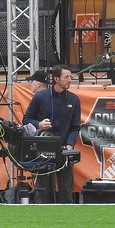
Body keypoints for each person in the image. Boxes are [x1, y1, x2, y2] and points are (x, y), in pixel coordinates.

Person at [22, 65, 82, 203]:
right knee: (43, 190)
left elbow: (75, 126)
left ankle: (66, 218)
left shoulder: (74, 99)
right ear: (56, 79)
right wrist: (39, 124)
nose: (69, 80)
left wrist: (70, 145)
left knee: (66, 189)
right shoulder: (40, 97)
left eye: (70, 77)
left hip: (64, 149)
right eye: (66, 77)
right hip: (43, 148)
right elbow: (26, 119)